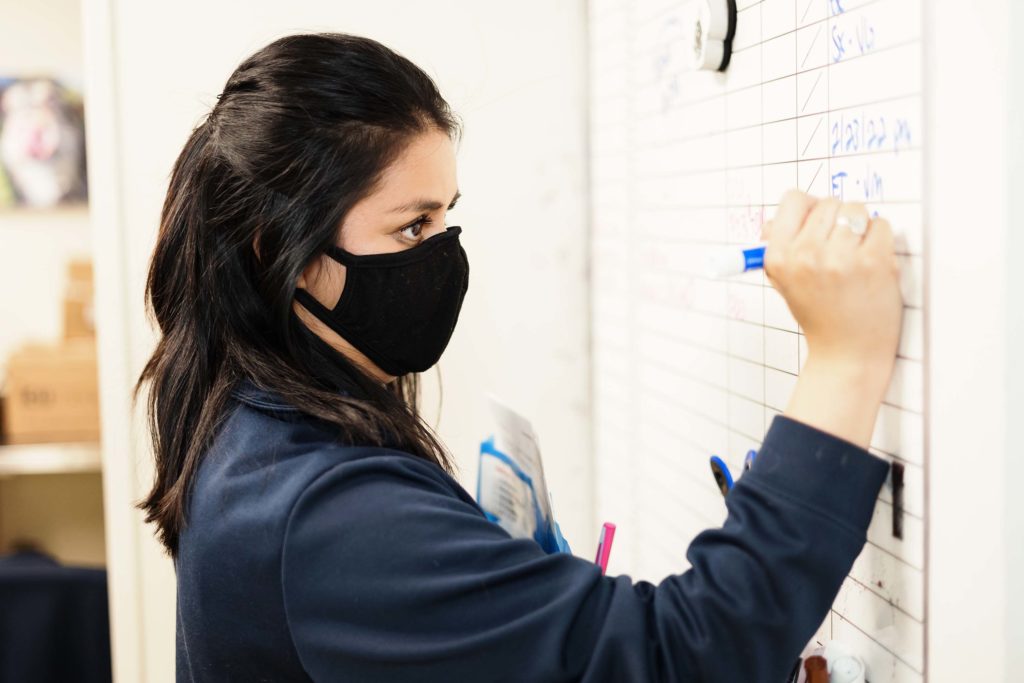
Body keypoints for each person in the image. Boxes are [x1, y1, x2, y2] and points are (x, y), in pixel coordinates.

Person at [137, 32, 902, 683]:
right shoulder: (326, 513)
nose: (442, 254)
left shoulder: (250, 429)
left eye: (447, 217)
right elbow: (686, 654)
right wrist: (845, 360)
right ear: (287, 257)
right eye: (411, 227)